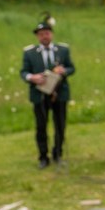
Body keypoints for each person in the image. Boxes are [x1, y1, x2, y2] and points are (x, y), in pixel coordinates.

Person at [21, 18, 75, 168]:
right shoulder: (30, 53)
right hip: (39, 94)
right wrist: (32, 77)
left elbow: (71, 68)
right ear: (37, 36)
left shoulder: (62, 50)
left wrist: (64, 71)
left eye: (46, 33)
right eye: (41, 34)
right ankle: (43, 157)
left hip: (59, 93)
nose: (44, 36)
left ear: (51, 34)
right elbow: (23, 72)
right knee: (41, 126)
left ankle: (58, 154)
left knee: (60, 125)